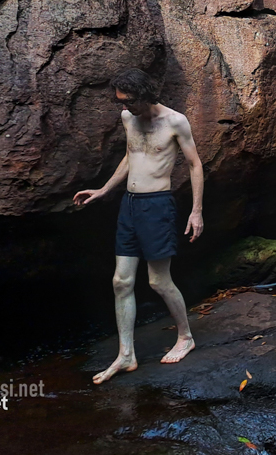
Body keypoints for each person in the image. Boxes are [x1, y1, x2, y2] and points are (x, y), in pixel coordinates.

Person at [73, 68, 205, 384]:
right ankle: (126, 354)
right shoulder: (128, 119)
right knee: (121, 281)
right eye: (120, 101)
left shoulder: (175, 122)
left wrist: (197, 211)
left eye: (129, 101)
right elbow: (132, 155)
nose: (125, 107)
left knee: (158, 281)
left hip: (157, 206)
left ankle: (185, 336)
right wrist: (105, 189)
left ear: (145, 95)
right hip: (129, 206)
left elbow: (194, 164)